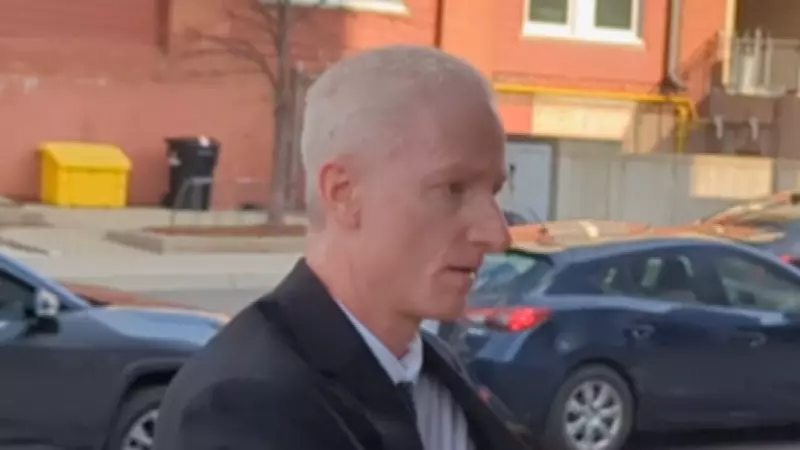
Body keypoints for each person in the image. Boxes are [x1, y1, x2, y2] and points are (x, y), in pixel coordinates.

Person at [153, 45, 531, 450]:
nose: (496, 234)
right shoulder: (240, 406)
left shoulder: (434, 370)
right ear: (343, 192)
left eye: (493, 192)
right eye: (452, 189)